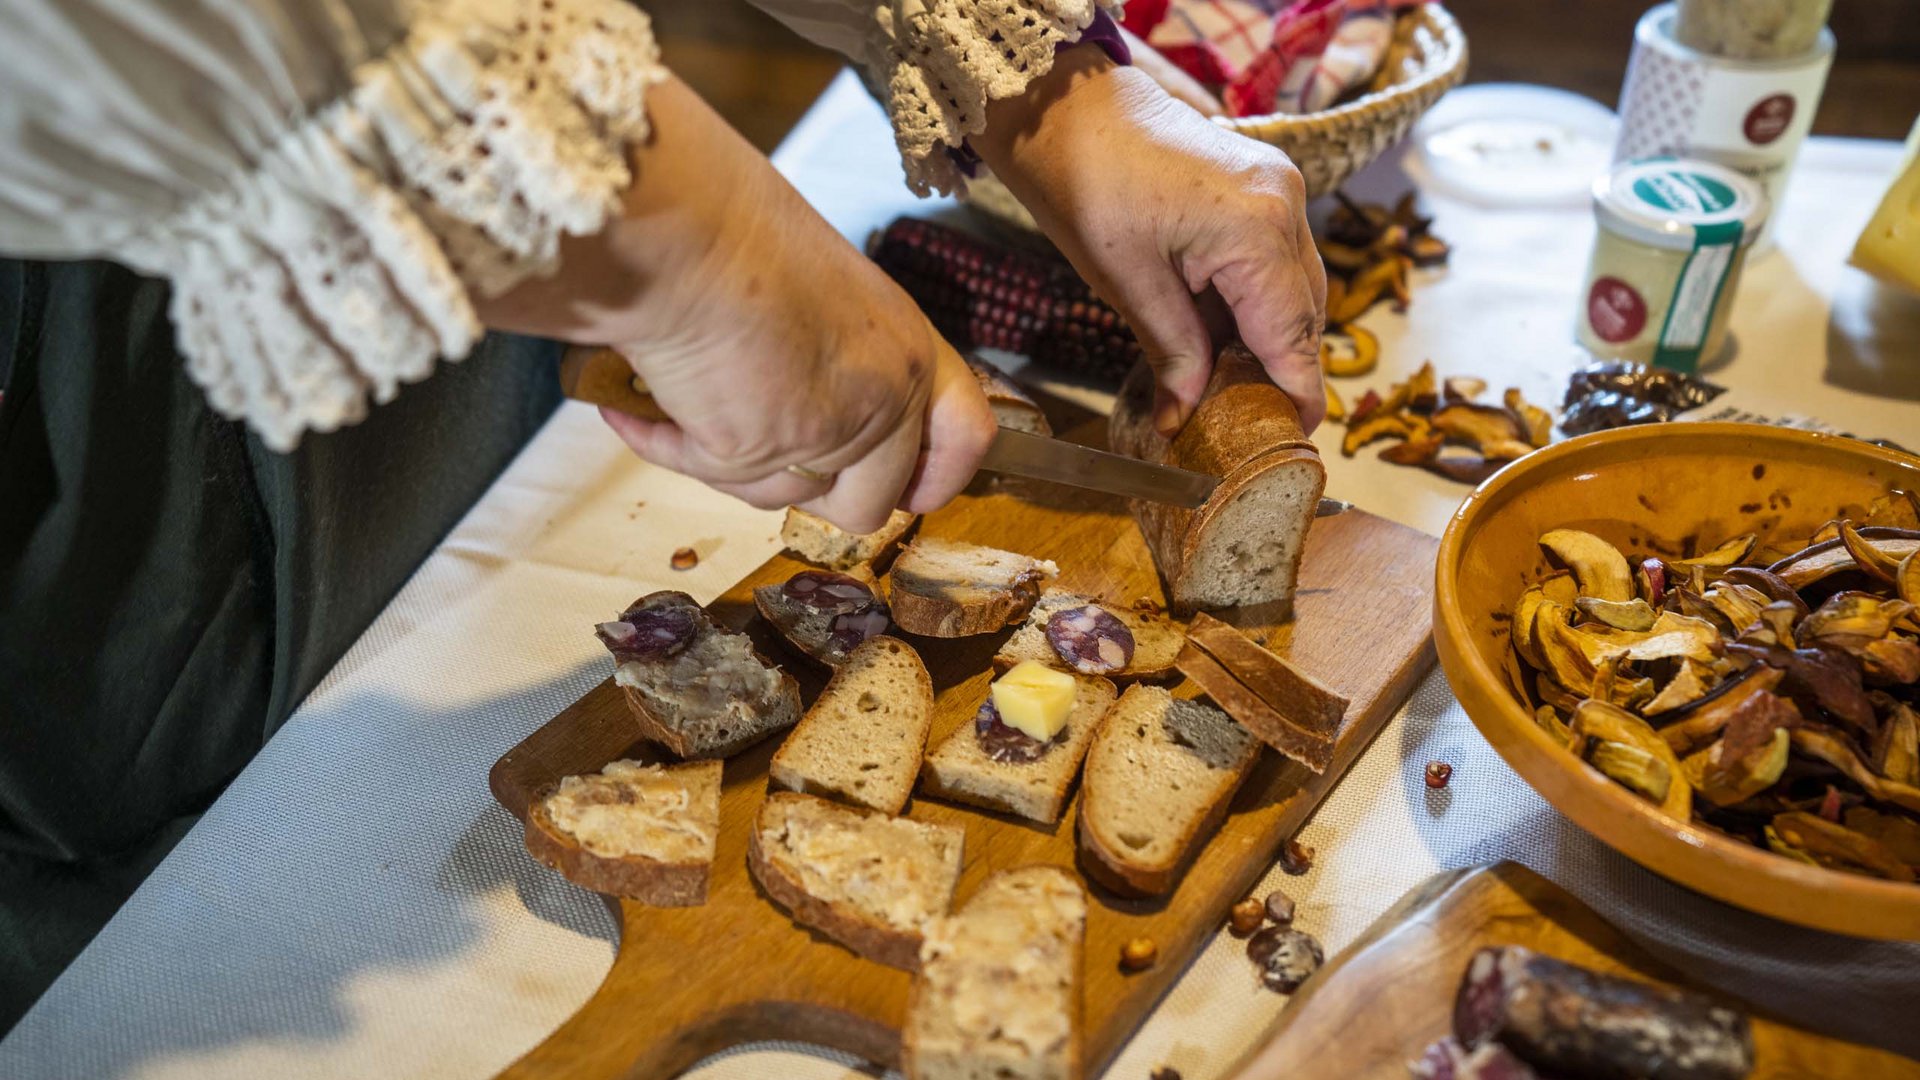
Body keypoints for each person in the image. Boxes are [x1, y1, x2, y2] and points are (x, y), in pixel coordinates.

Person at [0, 0, 1325, 1027]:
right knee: (174, 857)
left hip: (528, 171)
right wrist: (697, 246)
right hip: (120, 253)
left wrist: (1050, 85)